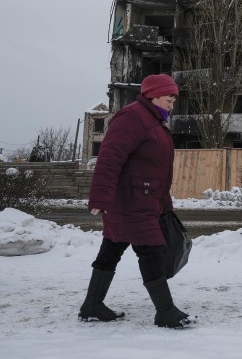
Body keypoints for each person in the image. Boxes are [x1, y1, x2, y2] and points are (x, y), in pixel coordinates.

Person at [78, 74, 196, 329]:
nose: (172, 104)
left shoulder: (153, 121)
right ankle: (165, 311)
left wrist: (164, 203)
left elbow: (156, 170)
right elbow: (109, 158)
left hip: (141, 199)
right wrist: (100, 197)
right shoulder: (132, 117)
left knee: (111, 249)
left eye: (174, 99)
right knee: (150, 252)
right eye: (169, 98)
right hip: (131, 201)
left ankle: (92, 305)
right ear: (153, 95)